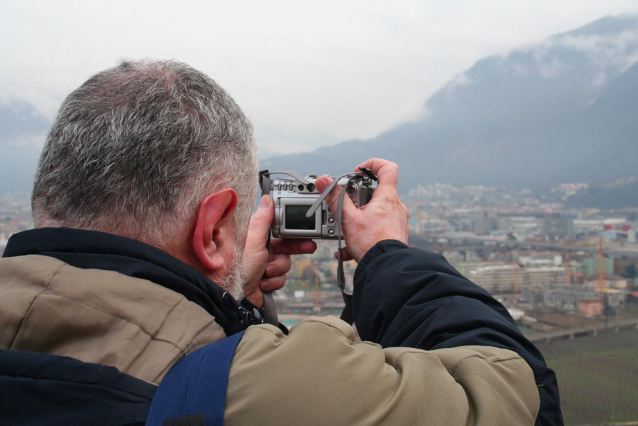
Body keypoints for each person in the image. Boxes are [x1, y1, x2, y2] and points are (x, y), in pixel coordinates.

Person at [0, 59, 562, 425]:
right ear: (215, 228)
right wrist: (392, 257)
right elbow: (523, 398)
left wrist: (224, 296)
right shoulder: (259, 393)